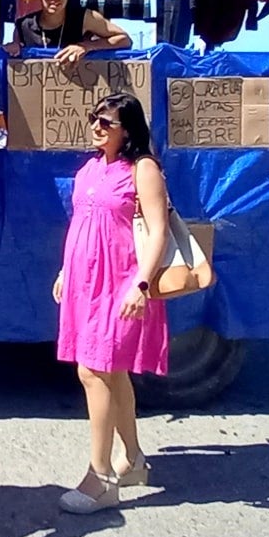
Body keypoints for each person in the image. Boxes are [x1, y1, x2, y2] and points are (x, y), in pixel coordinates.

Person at [52, 91, 171, 515]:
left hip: (120, 283)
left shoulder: (143, 169)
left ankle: (100, 477)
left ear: (129, 130)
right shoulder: (89, 168)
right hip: (85, 284)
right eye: (94, 119)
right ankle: (134, 459)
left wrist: (141, 284)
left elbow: (157, 231)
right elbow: (82, 223)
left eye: (107, 122)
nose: (96, 127)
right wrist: (66, 271)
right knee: (112, 372)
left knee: (94, 371)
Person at [5, 0, 131, 74]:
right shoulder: (23, 26)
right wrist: (12, 48)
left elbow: (124, 39)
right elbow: (15, 53)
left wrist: (86, 47)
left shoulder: (85, 17)